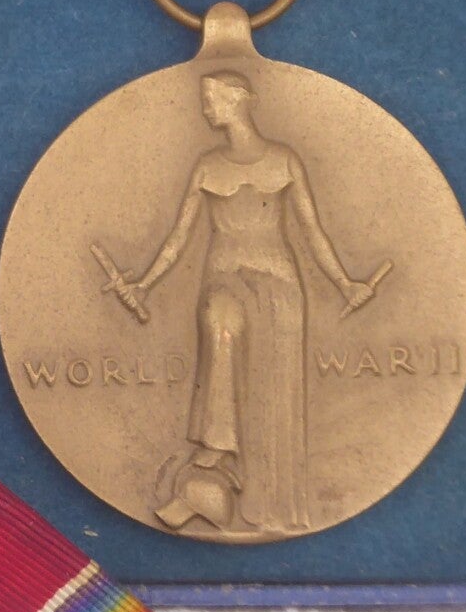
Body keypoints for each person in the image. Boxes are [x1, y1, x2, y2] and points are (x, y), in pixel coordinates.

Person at [106, 71, 380, 536]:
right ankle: (216, 454)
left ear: (236, 101)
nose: (206, 108)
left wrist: (345, 283)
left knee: (267, 389)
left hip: (279, 286)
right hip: (224, 276)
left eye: (211, 99)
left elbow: (313, 232)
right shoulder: (207, 166)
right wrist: (146, 284)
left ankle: (231, 482)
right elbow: (178, 237)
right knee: (221, 324)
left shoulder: (284, 160)